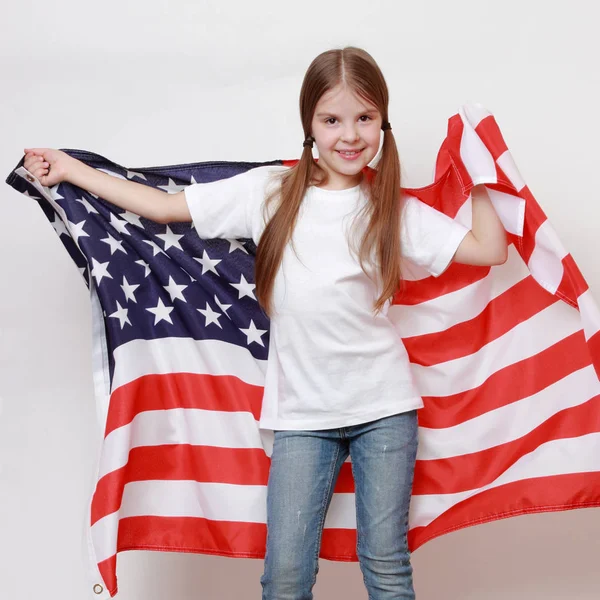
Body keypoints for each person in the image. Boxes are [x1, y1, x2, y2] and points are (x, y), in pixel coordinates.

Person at [22, 47, 507, 600]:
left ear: (382, 122)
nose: (349, 135)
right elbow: (162, 207)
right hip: (302, 413)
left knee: (386, 563)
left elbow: (489, 250)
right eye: (332, 120)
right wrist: (70, 169)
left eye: (364, 118)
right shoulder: (270, 191)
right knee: (286, 576)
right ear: (309, 125)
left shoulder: (389, 207)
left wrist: (480, 175)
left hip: (385, 407)